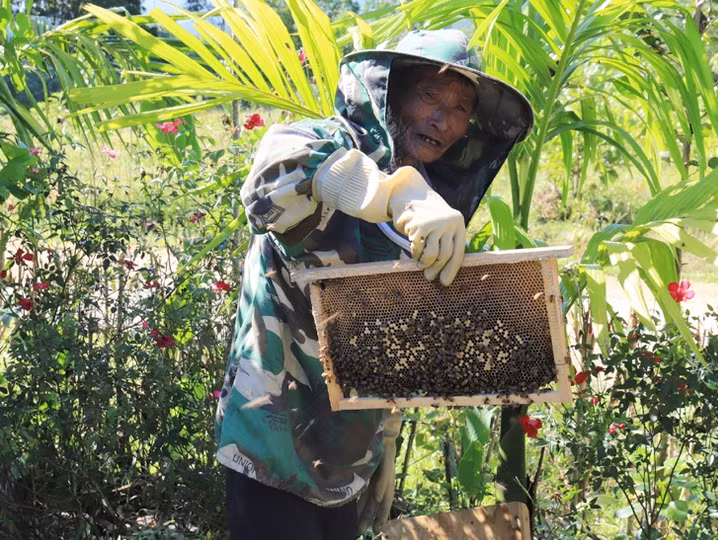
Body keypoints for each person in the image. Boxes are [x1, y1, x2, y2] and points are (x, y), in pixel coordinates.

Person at [215, 29, 533, 539]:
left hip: (347, 459)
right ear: (390, 92)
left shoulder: (432, 205)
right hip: (269, 446)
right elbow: (270, 184)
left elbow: (390, 337)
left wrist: (384, 440)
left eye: (460, 107)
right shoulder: (315, 141)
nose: (444, 118)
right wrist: (391, 192)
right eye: (430, 94)